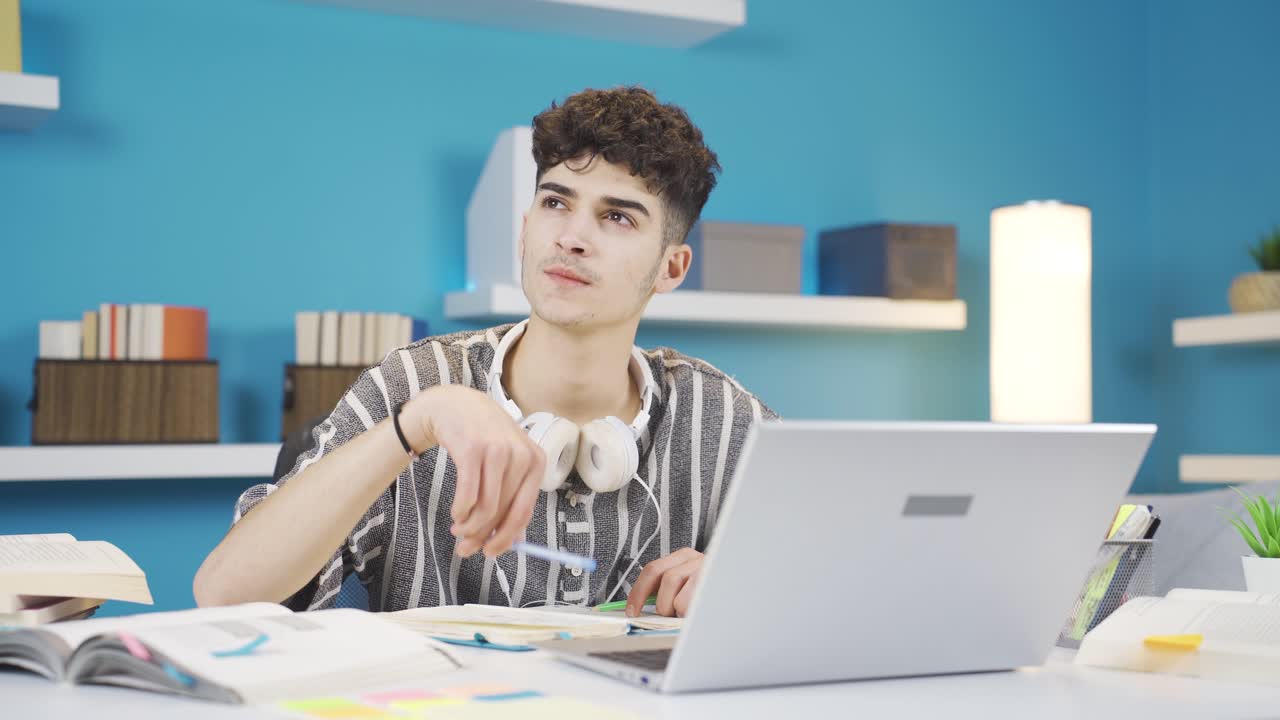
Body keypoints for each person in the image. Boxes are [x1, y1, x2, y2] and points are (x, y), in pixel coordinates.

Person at [193, 85, 776, 619]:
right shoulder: (415, 382)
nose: (571, 236)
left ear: (670, 268)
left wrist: (747, 580)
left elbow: (849, 580)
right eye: (555, 203)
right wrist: (414, 425)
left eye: (616, 216)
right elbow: (223, 594)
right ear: (525, 231)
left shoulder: (724, 419)